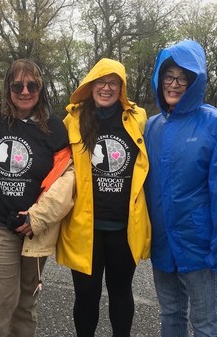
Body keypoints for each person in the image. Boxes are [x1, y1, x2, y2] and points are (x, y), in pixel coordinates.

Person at [144, 39, 217, 337]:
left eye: (184, 77)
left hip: (202, 247)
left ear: (196, 81)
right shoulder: (152, 127)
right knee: (170, 314)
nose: (175, 84)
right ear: (159, 78)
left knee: (205, 323)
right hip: (163, 245)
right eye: (169, 76)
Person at [0, 58, 74, 337]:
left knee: (26, 306)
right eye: (17, 85)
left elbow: (67, 177)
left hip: (36, 229)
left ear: (41, 88)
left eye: (32, 85)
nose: (25, 91)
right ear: (7, 88)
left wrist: (38, 217)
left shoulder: (54, 126)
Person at [56, 58, 151, 337]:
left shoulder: (139, 119)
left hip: (125, 227)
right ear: (91, 85)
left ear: (121, 88)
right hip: (84, 228)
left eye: (113, 83)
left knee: (121, 293)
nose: (106, 88)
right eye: (101, 82)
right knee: (86, 297)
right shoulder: (71, 121)